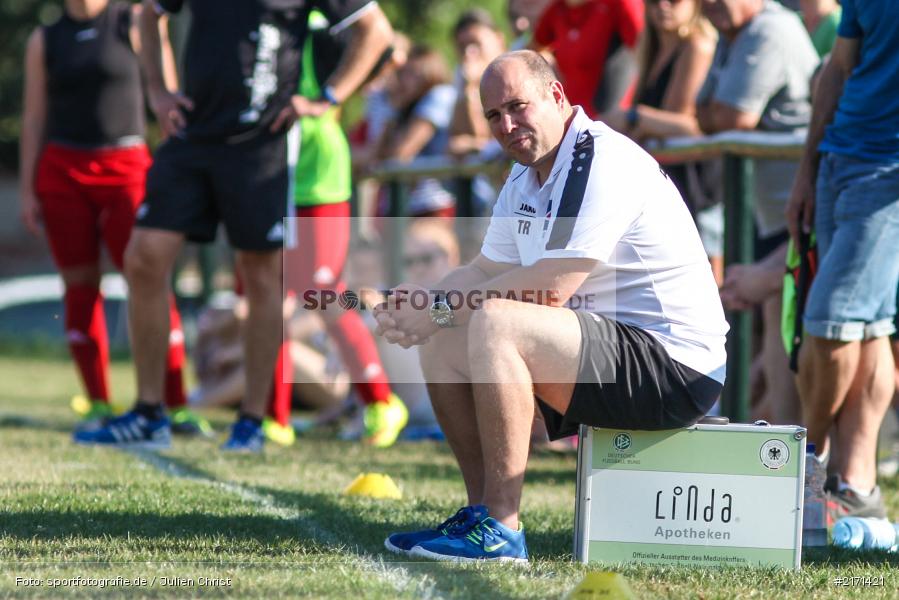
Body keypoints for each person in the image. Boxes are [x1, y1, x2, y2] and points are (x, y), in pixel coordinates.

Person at [376, 50, 727, 561]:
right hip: (611, 351)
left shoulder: (598, 158)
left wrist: (441, 307)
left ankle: (502, 527)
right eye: (494, 115)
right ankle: (478, 516)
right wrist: (425, 305)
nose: (507, 124)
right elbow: (483, 271)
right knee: (449, 330)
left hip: (677, 366)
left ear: (557, 96)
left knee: (495, 321)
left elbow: (552, 286)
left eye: (518, 106)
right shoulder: (525, 175)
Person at [74, 0, 392, 451]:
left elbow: (375, 31)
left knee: (262, 276)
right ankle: (149, 412)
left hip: (261, 142)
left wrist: (329, 98)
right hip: (192, 136)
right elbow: (148, 13)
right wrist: (159, 92)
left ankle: (252, 422)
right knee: (144, 258)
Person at [18, 0, 209, 436]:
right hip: (62, 170)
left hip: (127, 166)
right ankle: (98, 401)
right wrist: (28, 188)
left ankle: (175, 403)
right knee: (80, 285)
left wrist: (179, 162)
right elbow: (33, 118)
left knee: (149, 277)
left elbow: (167, 93)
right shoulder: (44, 38)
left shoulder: (133, 18)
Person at [786, 0, 899, 521]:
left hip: (888, 178)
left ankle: (806, 471)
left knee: (830, 320)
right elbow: (839, 67)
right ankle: (855, 488)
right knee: (868, 327)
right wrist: (807, 168)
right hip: (838, 159)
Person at [284, 9, 408, 448]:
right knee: (269, 296)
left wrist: (333, 96)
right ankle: (271, 415)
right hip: (267, 168)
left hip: (319, 171)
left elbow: (386, 46)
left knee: (325, 292)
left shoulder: (325, 13)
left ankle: (380, 402)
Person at [698, 0, 818, 426]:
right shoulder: (733, 35)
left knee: (825, 330)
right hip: (779, 213)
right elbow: (704, 115)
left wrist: (719, 116)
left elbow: (731, 116)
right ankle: (783, 451)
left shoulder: (770, 29)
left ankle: (816, 455)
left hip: (811, 211)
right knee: (776, 316)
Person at [603, 0, 720, 281]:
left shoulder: (697, 45)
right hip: (669, 181)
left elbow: (690, 126)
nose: (663, 6)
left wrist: (634, 118)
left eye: (675, 0)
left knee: (707, 282)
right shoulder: (651, 48)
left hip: (699, 185)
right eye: (653, 1)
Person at [372, 45, 457, 218]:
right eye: (402, 74)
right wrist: (393, 110)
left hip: (433, 205)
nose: (403, 80)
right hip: (403, 206)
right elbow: (377, 155)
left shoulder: (440, 94)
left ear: (428, 72)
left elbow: (400, 154)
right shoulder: (404, 106)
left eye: (412, 73)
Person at [531, 0, 644, 119]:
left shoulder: (620, 4)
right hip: (572, 117)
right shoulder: (558, 8)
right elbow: (531, 54)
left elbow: (647, 51)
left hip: (611, 119)